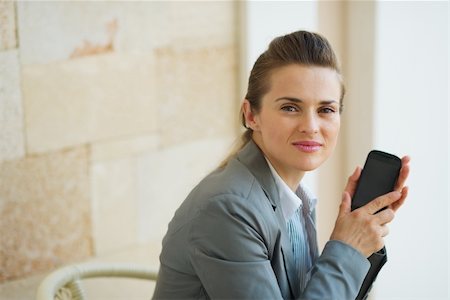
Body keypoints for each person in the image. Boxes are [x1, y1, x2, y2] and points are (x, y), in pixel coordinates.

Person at [152, 30, 410, 299]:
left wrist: (360, 239)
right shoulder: (227, 208)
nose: (311, 127)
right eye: (290, 107)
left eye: (326, 110)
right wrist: (347, 249)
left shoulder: (294, 199)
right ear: (251, 115)